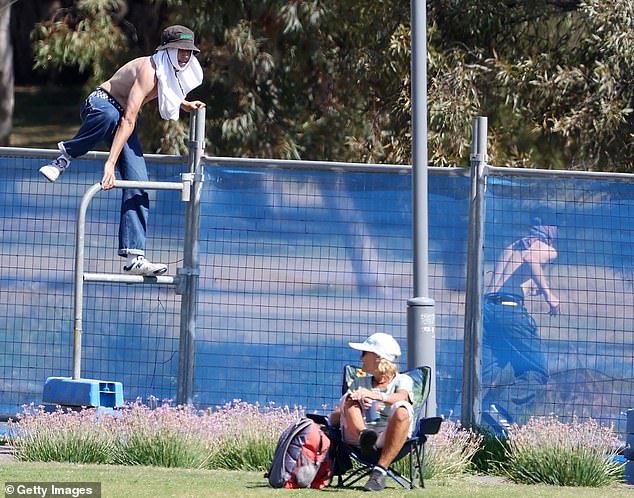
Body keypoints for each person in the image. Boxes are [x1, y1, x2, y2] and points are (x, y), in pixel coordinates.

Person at [39, 25, 206, 276]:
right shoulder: (148, 70)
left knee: (139, 179)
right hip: (100, 104)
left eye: (189, 52)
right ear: (167, 51)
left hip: (120, 117)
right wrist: (109, 164)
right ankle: (64, 157)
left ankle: (134, 257)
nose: (185, 56)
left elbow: (166, 93)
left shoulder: (168, 71)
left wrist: (183, 104)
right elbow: (128, 118)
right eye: (181, 50)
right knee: (108, 116)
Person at [482, 211, 560, 427]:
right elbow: (531, 258)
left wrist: (529, 288)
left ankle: (468, 419)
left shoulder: (513, 246)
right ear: (551, 235)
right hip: (510, 313)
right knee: (537, 370)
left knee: (485, 373)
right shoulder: (547, 249)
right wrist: (549, 295)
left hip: (487, 311)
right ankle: (501, 409)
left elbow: (508, 279)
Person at [330, 332, 414, 492]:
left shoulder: (403, 380)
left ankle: (379, 472)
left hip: (388, 435)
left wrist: (376, 396)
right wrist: (356, 403)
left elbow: (402, 396)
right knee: (350, 398)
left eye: (364, 353)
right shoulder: (359, 382)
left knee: (403, 409)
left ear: (378, 357)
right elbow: (334, 418)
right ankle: (365, 436)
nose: (360, 359)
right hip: (357, 435)